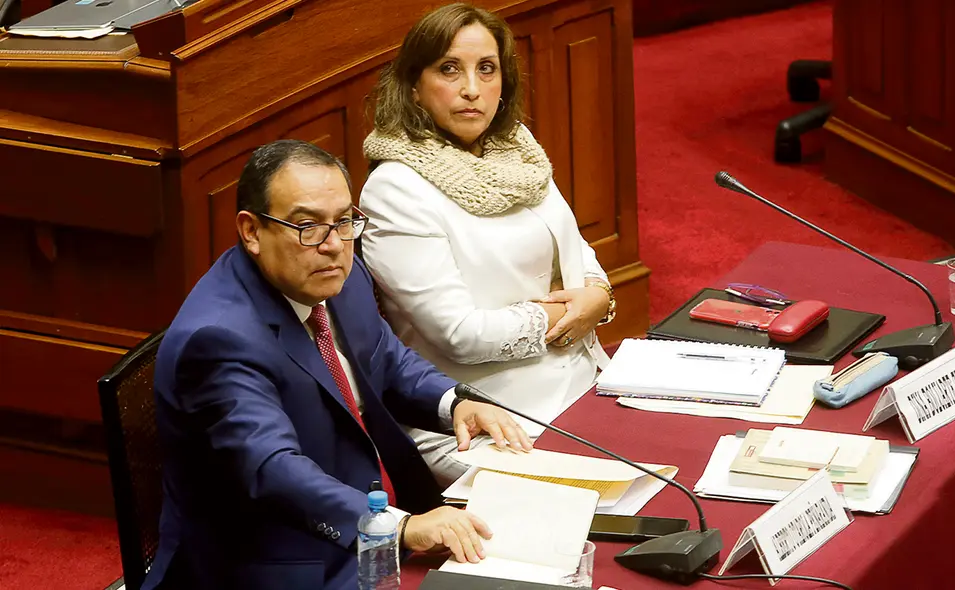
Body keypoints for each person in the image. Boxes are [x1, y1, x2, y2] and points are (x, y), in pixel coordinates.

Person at [141, 139, 532, 590]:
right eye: (307, 226)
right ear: (251, 231)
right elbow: (272, 469)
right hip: (287, 564)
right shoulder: (219, 339)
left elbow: (386, 358)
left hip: (377, 521)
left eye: (344, 222)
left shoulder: (338, 276)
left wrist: (455, 403)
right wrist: (398, 527)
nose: (332, 245)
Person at [359, 3, 616, 486]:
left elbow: (580, 255)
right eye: (449, 70)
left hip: (582, 380)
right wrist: (572, 313)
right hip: (485, 417)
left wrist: (599, 295)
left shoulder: (517, 150)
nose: (472, 89)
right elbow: (461, 334)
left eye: (487, 69)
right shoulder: (395, 188)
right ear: (414, 86)